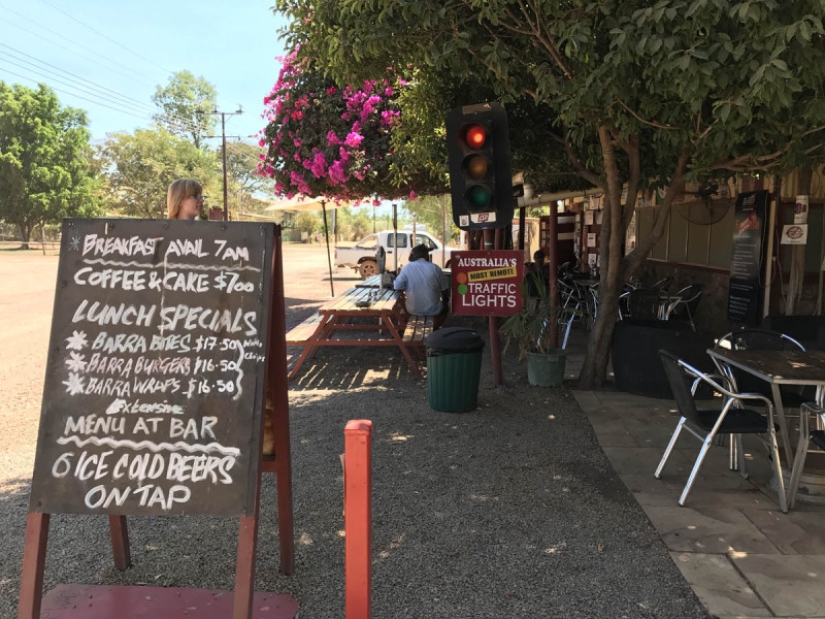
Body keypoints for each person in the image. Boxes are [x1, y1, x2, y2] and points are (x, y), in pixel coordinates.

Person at [393, 243, 449, 327]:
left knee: (401, 304)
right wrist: (445, 300)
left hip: (412, 310)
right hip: (433, 311)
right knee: (446, 307)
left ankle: (406, 326)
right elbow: (445, 291)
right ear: (425, 255)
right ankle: (435, 327)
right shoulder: (435, 268)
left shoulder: (407, 268)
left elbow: (397, 287)